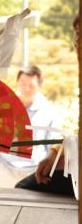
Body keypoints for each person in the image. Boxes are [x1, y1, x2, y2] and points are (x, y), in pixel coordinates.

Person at [14, 15, 79, 197]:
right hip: (5, 168)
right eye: (75, 35)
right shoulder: (9, 107)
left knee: (23, 190)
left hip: (42, 165)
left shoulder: (47, 109)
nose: (76, 43)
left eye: (80, 34)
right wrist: (56, 154)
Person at [0, 64, 60, 188]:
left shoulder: (49, 111)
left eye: (31, 85)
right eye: (23, 83)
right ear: (17, 82)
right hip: (3, 170)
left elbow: (53, 144)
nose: (26, 88)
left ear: (39, 86)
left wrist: (44, 171)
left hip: (34, 173)